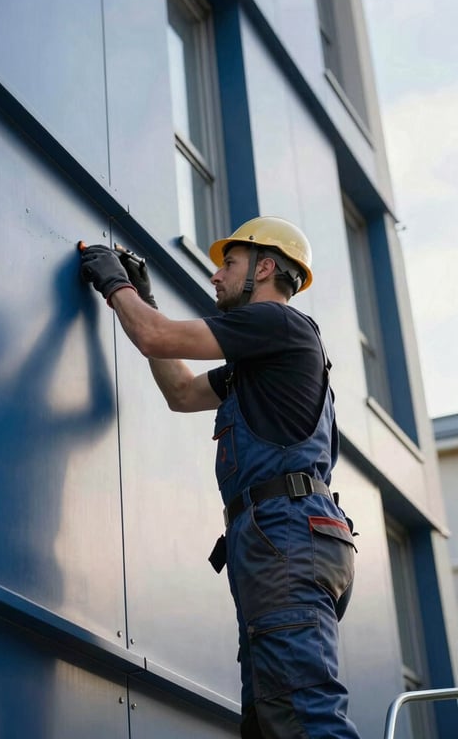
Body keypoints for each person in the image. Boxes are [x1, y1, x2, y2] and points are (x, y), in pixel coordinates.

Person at [80, 216, 360, 739]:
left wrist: (113, 283)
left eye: (228, 264)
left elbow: (155, 337)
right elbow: (181, 392)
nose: (216, 276)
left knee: (303, 718)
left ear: (267, 267)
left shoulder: (276, 323)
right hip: (276, 539)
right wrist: (143, 298)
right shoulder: (263, 360)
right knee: (273, 720)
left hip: (286, 537)